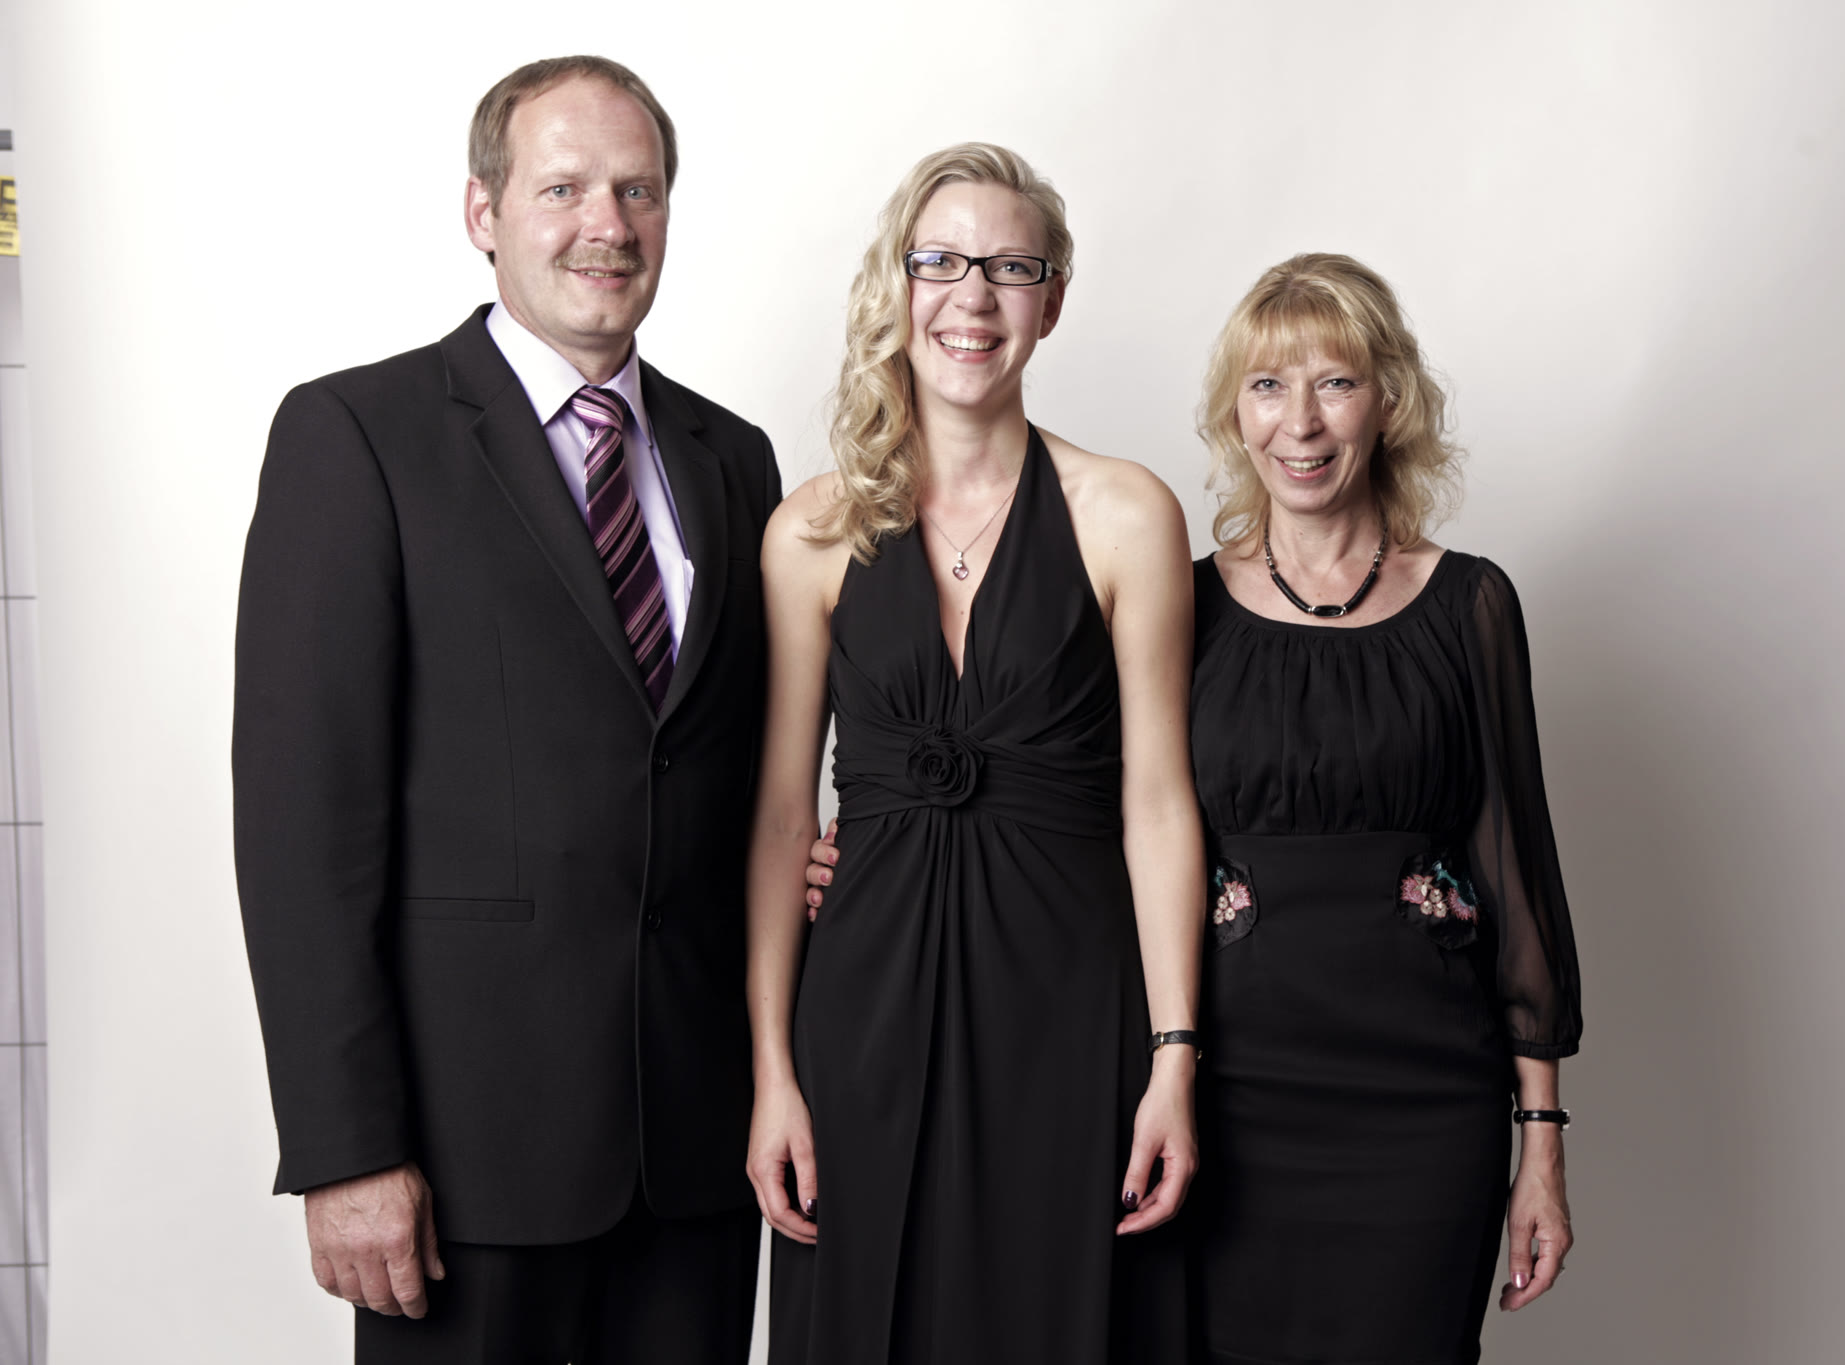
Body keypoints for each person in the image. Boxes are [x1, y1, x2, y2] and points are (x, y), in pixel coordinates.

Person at [807, 252, 1584, 1364]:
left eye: (1336, 382)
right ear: (1233, 414)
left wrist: (1540, 1138)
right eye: (1268, 386)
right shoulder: (1186, 597)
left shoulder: (1470, 605)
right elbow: (1089, 800)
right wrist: (879, 845)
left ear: (1390, 403)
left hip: (1424, 1097)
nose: (1300, 422)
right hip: (1222, 1089)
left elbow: (1518, 876)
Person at [233, 56, 779, 1363]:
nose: (609, 225)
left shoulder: (736, 460)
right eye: (563, 188)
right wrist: (345, 1147)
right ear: (482, 212)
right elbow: (303, 825)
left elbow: (738, 776)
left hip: (698, 1147)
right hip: (462, 1161)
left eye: (637, 190)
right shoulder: (356, 435)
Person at [744, 143, 1204, 1365]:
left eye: (1010, 268)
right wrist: (772, 1072)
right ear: (896, 284)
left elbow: (1159, 804)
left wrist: (1173, 1060)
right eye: (940, 262)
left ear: (1051, 300)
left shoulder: (1127, 513)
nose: (973, 297)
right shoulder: (809, 531)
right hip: (860, 1014)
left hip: (1071, 1010)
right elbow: (782, 817)